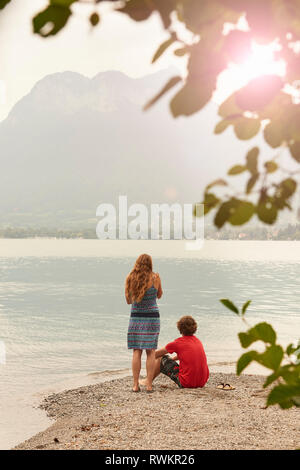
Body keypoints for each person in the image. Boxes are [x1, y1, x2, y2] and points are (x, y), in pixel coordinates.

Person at [125, 254, 163, 393]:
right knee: (151, 351)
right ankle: (149, 386)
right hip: (152, 317)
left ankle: (135, 385)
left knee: (137, 351)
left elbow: (128, 301)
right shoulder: (155, 277)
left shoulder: (130, 278)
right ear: (150, 264)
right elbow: (159, 295)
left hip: (136, 317)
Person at [140, 315, 209, 389]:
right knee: (166, 360)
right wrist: (172, 360)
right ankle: (148, 379)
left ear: (180, 328)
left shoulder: (178, 343)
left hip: (187, 383)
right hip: (202, 382)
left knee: (161, 358)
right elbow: (187, 355)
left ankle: (148, 380)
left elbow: (154, 355)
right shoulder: (197, 341)